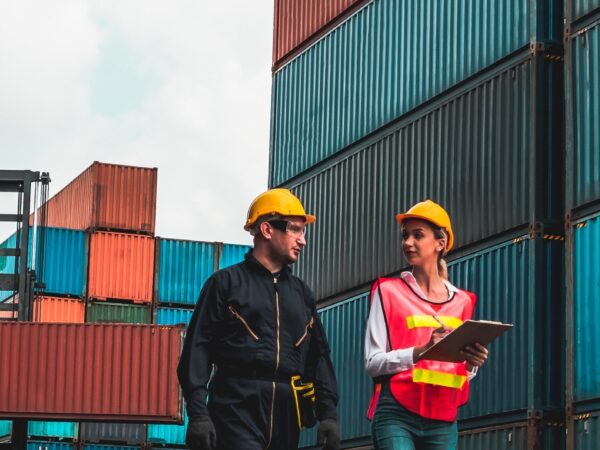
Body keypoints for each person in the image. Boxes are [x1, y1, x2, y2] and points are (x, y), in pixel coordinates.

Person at [178, 188, 340, 450]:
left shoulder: (302, 294)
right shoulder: (225, 284)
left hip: (287, 415)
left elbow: (319, 357)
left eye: (303, 231)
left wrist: (328, 415)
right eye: (295, 230)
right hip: (235, 406)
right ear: (266, 230)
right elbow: (198, 350)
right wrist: (198, 414)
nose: (303, 240)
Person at [364, 200, 489, 450]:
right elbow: (372, 363)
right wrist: (421, 351)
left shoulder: (463, 302)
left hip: (443, 418)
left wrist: (471, 364)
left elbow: (455, 372)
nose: (408, 243)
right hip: (396, 412)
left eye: (417, 235)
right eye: (405, 236)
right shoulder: (387, 292)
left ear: (440, 243)